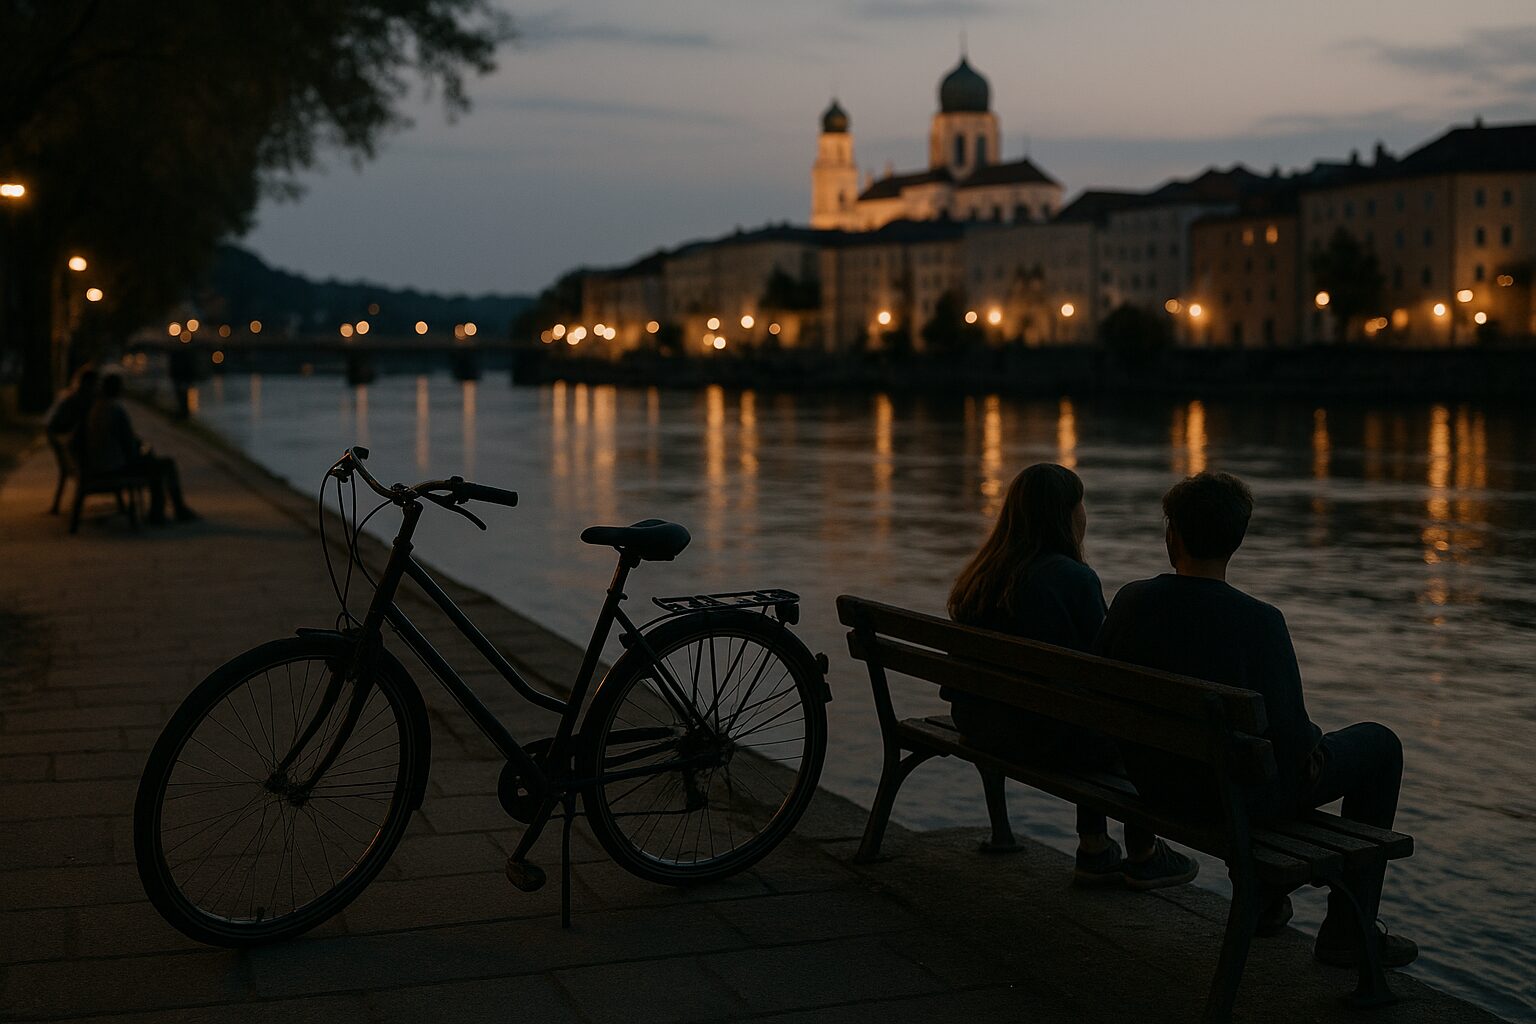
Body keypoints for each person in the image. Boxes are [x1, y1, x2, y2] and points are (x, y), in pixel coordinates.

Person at [1095, 471, 1415, 967]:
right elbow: (1291, 749)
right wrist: (1314, 741)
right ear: (1236, 542)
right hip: (1232, 799)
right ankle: (1348, 932)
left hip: (1155, 783)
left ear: (1171, 535)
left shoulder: (1132, 601)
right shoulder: (1260, 622)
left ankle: (1267, 901)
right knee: (1380, 745)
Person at [946, 463, 1199, 890]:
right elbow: (1105, 674)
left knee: (1084, 708)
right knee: (1123, 717)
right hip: (1038, 736)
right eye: (1081, 504)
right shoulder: (1073, 578)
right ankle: (1138, 851)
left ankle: (1098, 848)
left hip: (978, 722)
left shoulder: (982, 574)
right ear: (1065, 513)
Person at [82, 373, 197, 524]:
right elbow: (129, 444)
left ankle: (164, 512)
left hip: (101, 463)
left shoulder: (97, 408)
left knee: (155, 463)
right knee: (165, 465)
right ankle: (165, 512)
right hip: (114, 467)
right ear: (118, 390)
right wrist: (144, 452)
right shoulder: (116, 410)